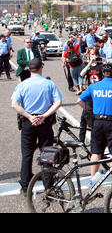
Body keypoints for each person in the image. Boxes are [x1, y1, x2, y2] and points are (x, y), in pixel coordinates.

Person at [11, 58, 63, 196]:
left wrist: (29, 116)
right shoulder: (49, 83)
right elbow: (58, 102)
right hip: (44, 122)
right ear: (41, 68)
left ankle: (25, 186)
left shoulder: (23, 85)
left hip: (28, 122)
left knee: (27, 154)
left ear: (29, 69)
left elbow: (14, 104)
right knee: (47, 153)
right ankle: (48, 186)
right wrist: (44, 116)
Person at [77, 63, 112, 184]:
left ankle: (92, 179)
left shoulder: (94, 86)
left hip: (98, 121)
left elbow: (79, 100)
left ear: (103, 74)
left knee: (96, 151)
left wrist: (88, 110)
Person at [79, 47, 104, 144]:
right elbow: (81, 74)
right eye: (91, 54)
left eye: (95, 54)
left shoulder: (101, 66)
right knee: (84, 117)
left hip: (98, 94)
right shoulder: (87, 65)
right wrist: (89, 64)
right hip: (90, 94)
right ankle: (81, 139)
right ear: (89, 55)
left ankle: (96, 139)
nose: (93, 56)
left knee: (95, 117)